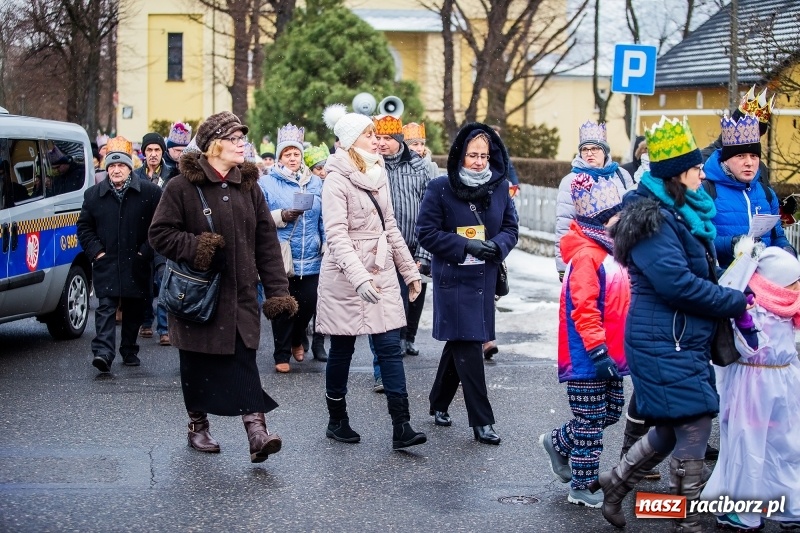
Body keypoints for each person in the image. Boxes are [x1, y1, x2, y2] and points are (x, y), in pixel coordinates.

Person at [592, 116, 748, 531]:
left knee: (671, 425)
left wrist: (736, 282)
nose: (703, 173)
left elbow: (696, 272)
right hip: (664, 339)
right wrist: (732, 301)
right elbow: (676, 284)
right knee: (695, 422)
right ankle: (688, 519)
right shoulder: (653, 220)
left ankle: (615, 484)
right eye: (696, 167)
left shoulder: (678, 213)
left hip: (678, 337)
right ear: (678, 174)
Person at [149, 111, 298, 462]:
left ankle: (257, 433)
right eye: (234, 138)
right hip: (197, 296)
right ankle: (198, 427)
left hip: (241, 295)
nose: (241, 143)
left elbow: (266, 244)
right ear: (214, 144)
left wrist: (278, 292)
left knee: (244, 360)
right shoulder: (181, 187)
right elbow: (159, 234)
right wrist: (198, 247)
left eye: (242, 137)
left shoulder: (249, 186)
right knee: (196, 365)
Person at [316, 103, 426, 450]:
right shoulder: (335, 179)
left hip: (381, 269)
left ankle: (402, 426)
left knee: (390, 348)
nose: (376, 140)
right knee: (342, 349)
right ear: (351, 140)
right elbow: (336, 235)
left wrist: (409, 271)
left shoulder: (380, 173)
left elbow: (389, 227)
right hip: (345, 274)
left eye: (376, 134)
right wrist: (359, 278)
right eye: (369, 135)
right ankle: (337, 420)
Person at [416, 122, 519, 445]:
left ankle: (438, 401)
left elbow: (511, 228)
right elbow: (426, 233)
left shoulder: (499, 187)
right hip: (454, 278)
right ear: (460, 154)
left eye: (483, 156)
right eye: (472, 155)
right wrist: (466, 246)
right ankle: (482, 421)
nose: (478, 162)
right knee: (470, 343)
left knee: (462, 340)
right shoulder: (440, 187)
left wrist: (497, 246)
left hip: (484, 277)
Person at [540, 174, 629, 508]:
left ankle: (557, 442)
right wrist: (598, 350)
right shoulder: (586, 257)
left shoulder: (611, 251)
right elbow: (584, 308)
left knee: (611, 412)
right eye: (616, 215)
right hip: (588, 354)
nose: (622, 219)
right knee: (590, 422)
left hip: (611, 352)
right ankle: (582, 485)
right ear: (600, 221)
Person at [701, 247, 800, 531]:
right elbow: (748, 347)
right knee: (755, 444)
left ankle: (783, 507)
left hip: (774, 381)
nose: (797, 286)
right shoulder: (753, 306)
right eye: (793, 281)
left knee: (780, 445)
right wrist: (744, 321)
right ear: (776, 281)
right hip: (757, 383)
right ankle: (753, 511)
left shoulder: (785, 307)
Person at [77, 137, 162, 372]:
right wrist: (97, 252)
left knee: (135, 308)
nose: (116, 170)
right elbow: (84, 227)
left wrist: (145, 251)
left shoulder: (150, 192)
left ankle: (129, 349)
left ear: (129, 168)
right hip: (107, 261)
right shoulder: (93, 195)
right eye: (112, 166)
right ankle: (103, 353)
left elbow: (158, 227)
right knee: (105, 307)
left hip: (137, 262)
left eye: (121, 165)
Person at [259, 123, 326, 372]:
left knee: (308, 304)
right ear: (279, 157)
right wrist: (282, 215)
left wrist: (326, 242)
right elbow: (259, 217)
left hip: (310, 255)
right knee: (282, 304)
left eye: (296, 153)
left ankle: (298, 337)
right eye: (287, 154)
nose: (292, 158)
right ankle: (281, 354)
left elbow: (324, 216)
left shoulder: (315, 182)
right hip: (281, 254)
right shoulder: (266, 183)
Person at [371, 113, 432, 371]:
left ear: (399, 139)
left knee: (405, 305)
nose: (381, 142)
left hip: (410, 250)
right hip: (378, 251)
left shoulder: (419, 168)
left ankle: (403, 343)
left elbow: (430, 214)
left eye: (387, 138)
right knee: (382, 309)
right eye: (378, 137)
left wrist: (424, 254)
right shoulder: (371, 165)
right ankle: (384, 366)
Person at [702, 113, 795, 268]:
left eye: (753, 156)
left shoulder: (767, 194)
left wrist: (787, 251)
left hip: (763, 278)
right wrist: (733, 244)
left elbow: (777, 237)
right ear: (726, 159)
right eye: (740, 156)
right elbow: (699, 243)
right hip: (723, 279)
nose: (749, 163)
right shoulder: (706, 191)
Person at [555, 121, 635, 282]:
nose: (589, 153)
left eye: (595, 148)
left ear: (604, 151)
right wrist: (563, 267)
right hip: (587, 256)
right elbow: (564, 225)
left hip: (620, 254)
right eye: (585, 149)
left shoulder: (622, 176)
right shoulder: (571, 181)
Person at [133, 132, 174, 345]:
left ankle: (164, 328)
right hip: (142, 235)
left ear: (162, 152)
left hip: (164, 235)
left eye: (157, 150)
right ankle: (146, 321)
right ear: (143, 153)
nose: (153, 154)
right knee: (144, 282)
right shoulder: (135, 176)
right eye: (149, 150)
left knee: (164, 280)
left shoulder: (172, 175)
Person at [303, 143, 331, 362]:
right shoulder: (308, 188)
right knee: (309, 298)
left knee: (325, 299)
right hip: (313, 248)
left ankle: (319, 342)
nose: (322, 173)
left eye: (325, 168)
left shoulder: (336, 185)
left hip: (332, 248)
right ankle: (301, 333)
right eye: (318, 169)